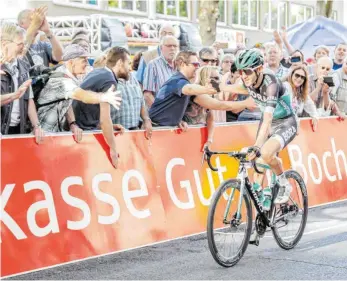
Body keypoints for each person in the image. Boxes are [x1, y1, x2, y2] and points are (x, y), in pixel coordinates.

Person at [221, 48, 297, 209]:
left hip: (285, 122)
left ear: (259, 69)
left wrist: (257, 146)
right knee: (257, 162)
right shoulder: (246, 82)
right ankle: (264, 199)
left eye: (247, 71)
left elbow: (269, 118)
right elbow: (226, 88)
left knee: (265, 152)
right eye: (240, 71)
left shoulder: (271, 84)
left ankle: (284, 183)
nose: (243, 75)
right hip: (267, 121)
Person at [37, 44, 122, 142]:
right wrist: (104, 97)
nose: (87, 64)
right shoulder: (61, 81)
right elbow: (83, 96)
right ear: (71, 62)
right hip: (43, 135)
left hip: (52, 134)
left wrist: (72, 124)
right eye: (83, 61)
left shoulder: (69, 76)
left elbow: (66, 102)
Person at [149, 51, 256, 128]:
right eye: (194, 64)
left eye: (198, 64)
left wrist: (177, 120)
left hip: (163, 129)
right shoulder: (177, 81)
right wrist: (207, 89)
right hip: (156, 129)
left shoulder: (183, 82)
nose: (197, 67)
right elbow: (189, 89)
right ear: (182, 64)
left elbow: (218, 105)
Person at [73, 47, 132, 168]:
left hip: (78, 128)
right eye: (128, 63)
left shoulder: (99, 72)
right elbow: (105, 119)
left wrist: (110, 126)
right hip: (82, 133)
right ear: (120, 63)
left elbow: (87, 108)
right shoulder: (109, 80)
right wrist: (114, 149)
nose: (130, 68)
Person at [0, 22, 44, 143]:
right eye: (20, 44)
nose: (24, 47)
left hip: (19, 129)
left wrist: (37, 126)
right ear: (5, 44)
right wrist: (14, 96)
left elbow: (28, 99)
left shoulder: (23, 66)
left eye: (24, 43)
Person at [284, 65, 319, 131]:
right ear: (291, 75)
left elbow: (310, 105)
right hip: (281, 125)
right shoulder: (286, 86)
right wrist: (296, 122)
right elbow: (288, 109)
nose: (299, 79)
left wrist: (315, 116)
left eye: (302, 77)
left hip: (292, 126)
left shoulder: (301, 92)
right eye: (297, 75)